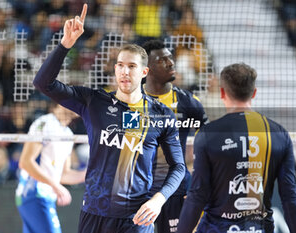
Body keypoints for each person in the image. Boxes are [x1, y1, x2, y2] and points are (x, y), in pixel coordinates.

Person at [33, 4, 185, 233]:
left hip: (136, 217)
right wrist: (65, 45)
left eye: (132, 66)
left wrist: (159, 199)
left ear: (144, 73)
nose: (125, 72)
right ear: (115, 70)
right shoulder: (94, 102)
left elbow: (178, 166)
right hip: (94, 213)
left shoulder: (161, 115)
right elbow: (43, 84)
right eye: (121, 66)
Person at [177, 63, 296, 233]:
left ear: (222, 93)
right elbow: (290, 197)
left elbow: (197, 195)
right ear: (254, 93)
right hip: (260, 228)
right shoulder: (279, 134)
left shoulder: (208, 134)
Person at [142, 39, 208, 233]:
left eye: (170, 58)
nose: (171, 63)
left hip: (175, 190)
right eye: (163, 60)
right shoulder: (131, 100)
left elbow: (210, 144)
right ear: (147, 69)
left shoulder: (188, 102)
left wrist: (198, 185)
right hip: (137, 190)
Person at [15, 102, 86, 233]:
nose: (75, 103)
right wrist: (56, 186)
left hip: (46, 196)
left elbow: (64, 175)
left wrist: (92, 173)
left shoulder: (69, 135)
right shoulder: (45, 123)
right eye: (70, 99)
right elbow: (25, 162)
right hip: (33, 193)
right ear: (58, 103)